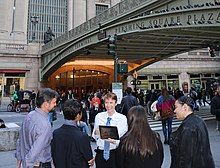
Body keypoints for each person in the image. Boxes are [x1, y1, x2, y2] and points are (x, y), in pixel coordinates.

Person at [15, 88, 58, 168]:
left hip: (28, 161)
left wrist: (19, 159)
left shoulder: (29, 116)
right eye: (54, 102)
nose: (55, 105)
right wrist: (27, 164)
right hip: (37, 164)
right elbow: (35, 151)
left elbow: (20, 140)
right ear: (46, 104)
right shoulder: (45, 124)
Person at [170, 96, 215, 168]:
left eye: (176, 107)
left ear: (185, 107)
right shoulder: (199, 120)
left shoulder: (188, 127)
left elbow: (186, 158)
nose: (174, 111)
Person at [51, 99, 94, 168]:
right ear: (78, 115)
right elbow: (89, 158)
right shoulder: (82, 136)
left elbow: (53, 154)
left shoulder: (55, 133)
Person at [92, 92, 128, 168]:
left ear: (115, 103)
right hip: (101, 153)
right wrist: (96, 132)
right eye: (106, 102)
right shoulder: (99, 116)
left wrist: (115, 141)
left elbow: (124, 138)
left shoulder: (122, 118)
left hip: (115, 153)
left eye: (111, 102)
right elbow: (94, 136)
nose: (108, 105)